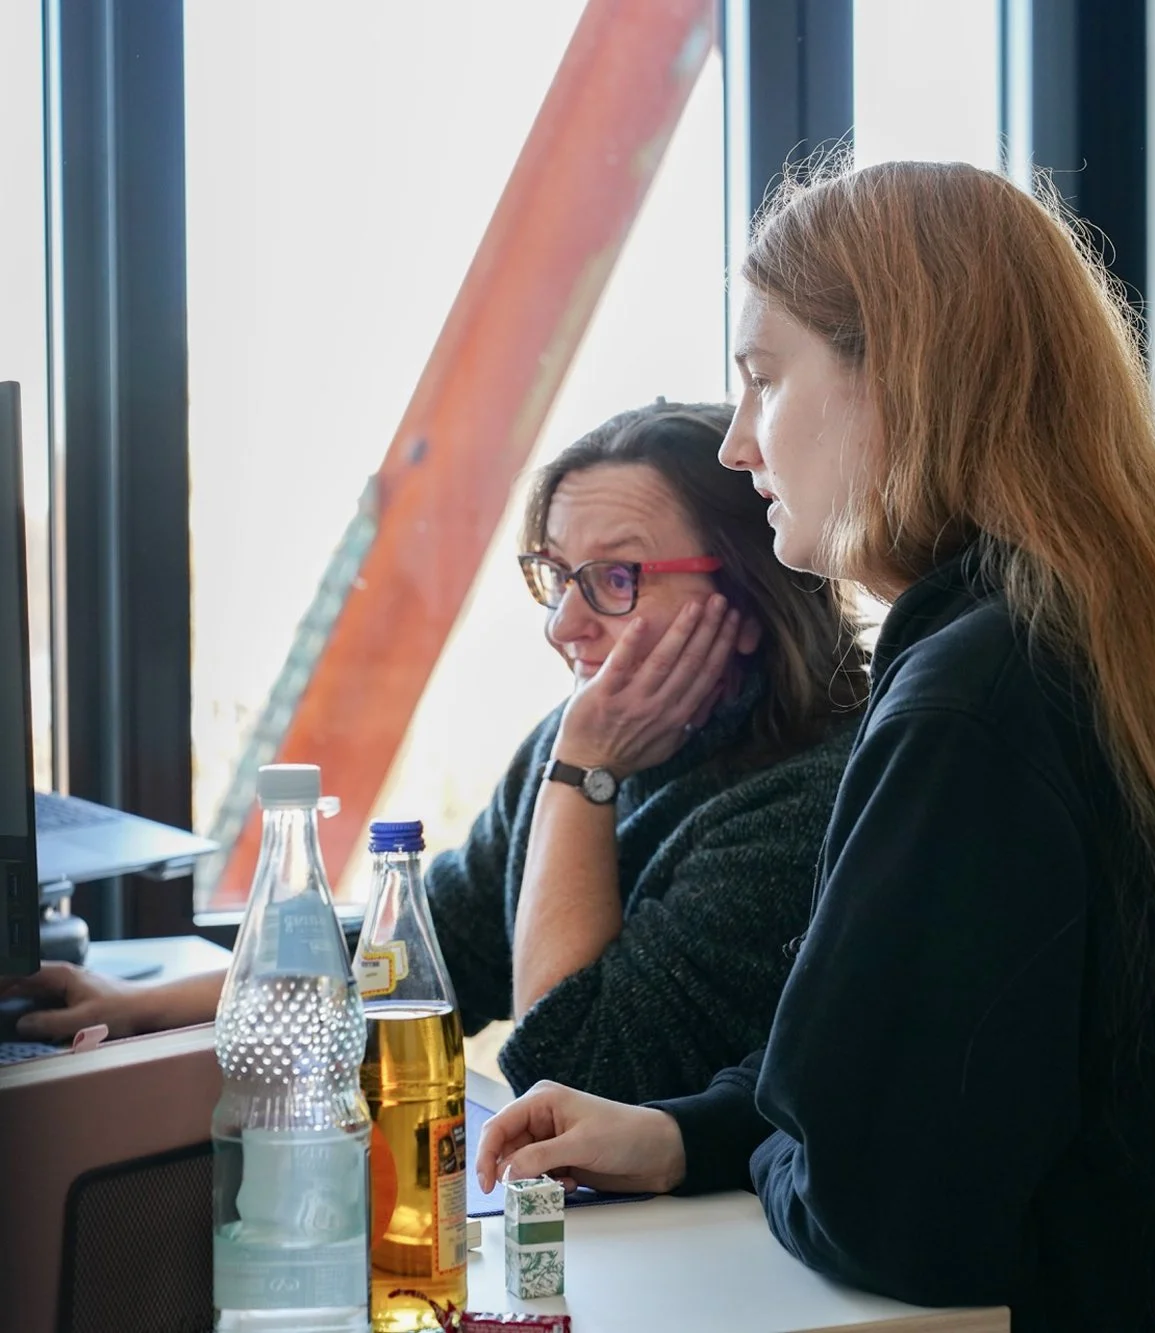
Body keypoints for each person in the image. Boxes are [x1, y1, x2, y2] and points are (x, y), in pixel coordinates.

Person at [475, 163, 1155, 1332]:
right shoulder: (1142, 612)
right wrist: (686, 1136)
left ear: (897, 384)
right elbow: (971, 1083)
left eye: (765, 382)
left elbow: (884, 1210)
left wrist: (778, 1156)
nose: (737, 444)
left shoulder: (969, 693)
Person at [5, 401, 867, 1106]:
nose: (561, 626)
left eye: (615, 579)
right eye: (555, 576)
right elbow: (430, 952)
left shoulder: (804, 796)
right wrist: (139, 1006)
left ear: (748, 601)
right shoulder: (589, 744)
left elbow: (573, 1071)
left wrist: (584, 777)